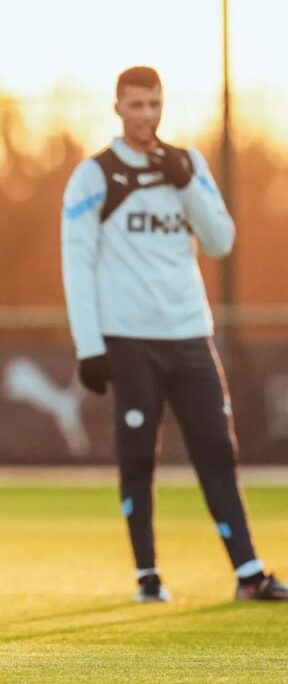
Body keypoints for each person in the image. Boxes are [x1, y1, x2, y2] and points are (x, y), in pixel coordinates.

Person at [61, 66, 286, 603]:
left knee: (217, 450)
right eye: (136, 105)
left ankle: (249, 572)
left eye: (154, 104)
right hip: (128, 338)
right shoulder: (95, 176)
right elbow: (76, 260)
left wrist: (187, 181)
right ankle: (147, 576)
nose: (146, 115)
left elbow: (221, 239)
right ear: (118, 108)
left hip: (189, 335)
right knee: (138, 454)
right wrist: (89, 344)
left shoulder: (188, 165)